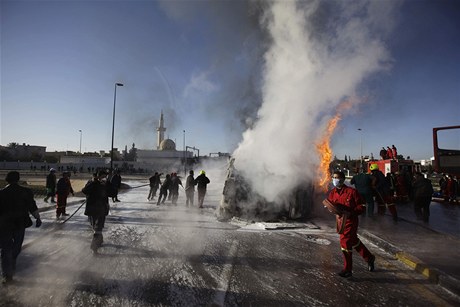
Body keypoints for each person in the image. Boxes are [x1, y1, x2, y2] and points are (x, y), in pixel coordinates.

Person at [326, 171, 375, 278]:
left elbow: (362, 206)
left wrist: (351, 212)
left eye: (337, 178)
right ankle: (369, 258)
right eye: (333, 177)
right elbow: (330, 204)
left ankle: (347, 269)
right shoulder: (332, 193)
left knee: (345, 241)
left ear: (342, 179)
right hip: (340, 221)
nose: (335, 180)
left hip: (351, 220)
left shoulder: (352, 192)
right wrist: (330, 208)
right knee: (353, 241)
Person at [0, 171, 42, 284]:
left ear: (7, 180)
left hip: (4, 225)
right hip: (19, 224)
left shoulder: (2, 193)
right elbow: (32, 207)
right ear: (18, 179)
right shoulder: (26, 192)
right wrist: (37, 218)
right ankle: (10, 266)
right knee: (16, 247)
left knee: (5, 249)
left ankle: (7, 273)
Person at [82, 170, 110, 253]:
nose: (104, 178)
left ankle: (98, 241)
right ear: (98, 176)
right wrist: (93, 182)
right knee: (96, 227)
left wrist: (108, 184)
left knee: (98, 227)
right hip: (93, 209)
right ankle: (95, 244)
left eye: (105, 177)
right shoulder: (92, 183)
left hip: (102, 209)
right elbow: (84, 191)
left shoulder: (105, 185)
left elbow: (113, 192)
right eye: (102, 177)